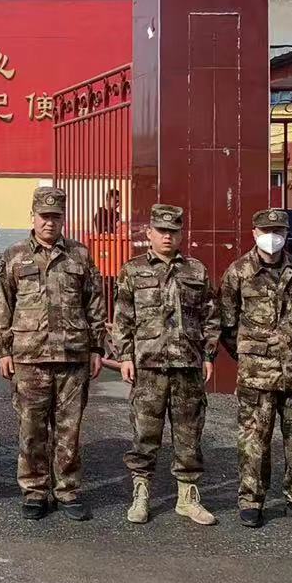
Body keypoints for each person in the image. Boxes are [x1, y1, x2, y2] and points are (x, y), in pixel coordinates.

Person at [0, 185, 105, 521]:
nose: (49, 223)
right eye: (44, 216)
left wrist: (97, 347)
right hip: (29, 357)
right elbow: (2, 306)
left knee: (70, 429)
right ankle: (35, 491)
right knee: (31, 428)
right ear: (33, 217)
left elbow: (94, 303)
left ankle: (67, 490)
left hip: (72, 357)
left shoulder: (79, 255)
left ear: (63, 218)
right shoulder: (14, 256)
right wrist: (2, 351)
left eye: (55, 216)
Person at [110, 204, 221, 526]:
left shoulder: (196, 271)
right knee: (145, 435)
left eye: (173, 231)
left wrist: (209, 355)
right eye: (161, 231)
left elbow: (211, 316)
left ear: (181, 234)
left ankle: (188, 497)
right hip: (148, 367)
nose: (167, 237)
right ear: (149, 233)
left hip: (188, 366)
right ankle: (141, 494)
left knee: (189, 434)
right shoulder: (133, 270)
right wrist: (125, 356)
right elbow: (123, 317)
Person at [218, 208, 292, 529]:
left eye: (279, 230)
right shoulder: (239, 272)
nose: (273, 236)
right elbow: (227, 324)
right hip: (257, 374)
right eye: (266, 230)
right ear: (254, 233)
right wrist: (252, 355)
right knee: (254, 439)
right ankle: (251, 499)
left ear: (287, 234)